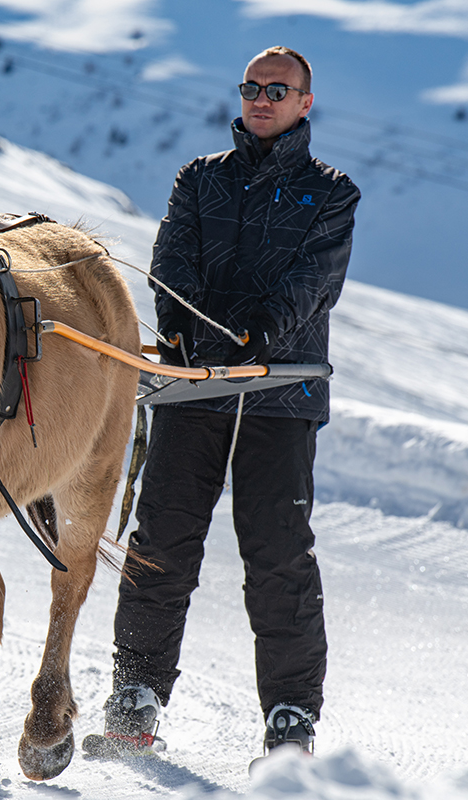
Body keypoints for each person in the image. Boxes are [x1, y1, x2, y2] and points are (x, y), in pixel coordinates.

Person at [98, 46, 360, 757]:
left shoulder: (332, 193)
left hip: (281, 396)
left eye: (279, 89)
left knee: (277, 558)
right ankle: (136, 694)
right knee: (161, 546)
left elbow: (315, 281)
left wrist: (257, 336)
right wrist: (185, 329)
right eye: (252, 87)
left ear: (306, 102)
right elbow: (172, 259)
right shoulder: (200, 180)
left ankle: (290, 720)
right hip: (194, 391)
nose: (262, 98)